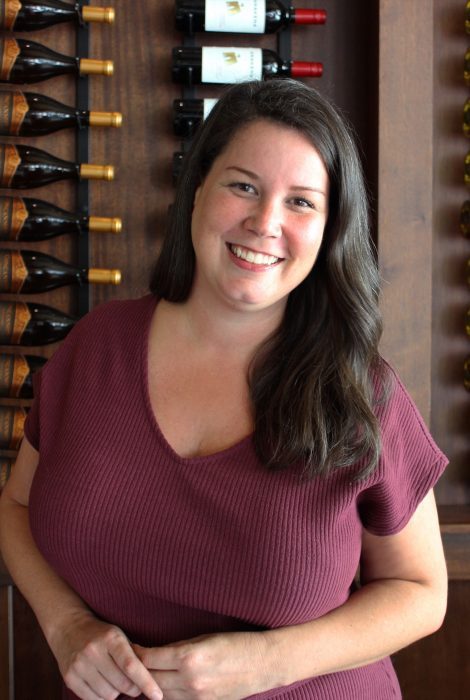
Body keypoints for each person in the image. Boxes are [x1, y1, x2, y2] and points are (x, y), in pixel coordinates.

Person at [0, 78, 448, 700]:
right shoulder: (95, 347)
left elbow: (422, 593)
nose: (265, 223)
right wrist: (66, 623)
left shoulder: (361, 391)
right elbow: (16, 508)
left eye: (301, 202)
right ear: (196, 193)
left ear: (329, 231)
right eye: (243, 186)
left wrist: (273, 661)